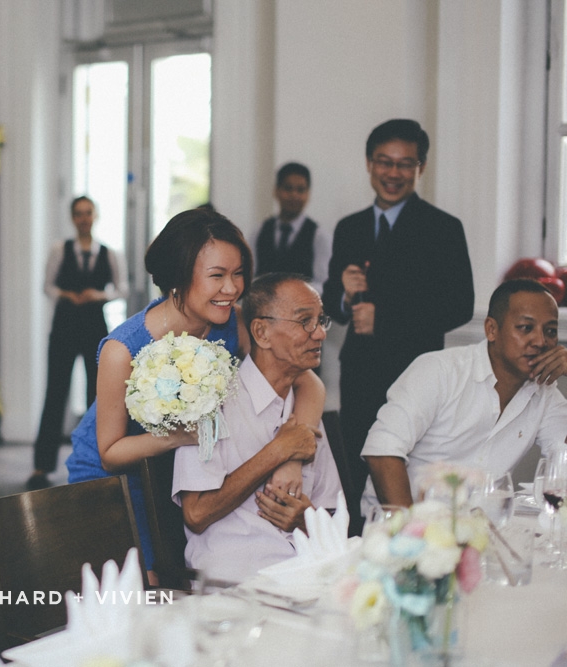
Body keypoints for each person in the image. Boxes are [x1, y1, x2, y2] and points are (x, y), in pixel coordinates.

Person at [65, 207, 325, 575]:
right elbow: (110, 452)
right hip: (114, 479)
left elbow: (306, 379)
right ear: (178, 277)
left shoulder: (229, 322)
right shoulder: (122, 349)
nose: (232, 289)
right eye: (217, 276)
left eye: (238, 274)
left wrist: (294, 453)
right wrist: (180, 436)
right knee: (143, 587)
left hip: (180, 472)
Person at [322, 119, 474, 531]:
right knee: (354, 474)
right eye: (385, 162)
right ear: (369, 164)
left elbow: (461, 305)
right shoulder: (349, 227)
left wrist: (384, 317)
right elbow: (332, 306)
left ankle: (414, 551)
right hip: (359, 376)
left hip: (417, 373)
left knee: (410, 479)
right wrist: (342, 293)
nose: (394, 173)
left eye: (405, 164)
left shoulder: (443, 228)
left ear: (421, 167)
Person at [172, 273, 342, 583]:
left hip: (305, 575)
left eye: (322, 320)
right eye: (305, 321)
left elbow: (331, 510)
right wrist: (277, 452)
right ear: (261, 332)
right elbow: (195, 515)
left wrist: (305, 519)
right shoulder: (211, 400)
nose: (319, 334)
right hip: (235, 581)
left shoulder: (304, 405)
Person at [362, 279, 567, 512]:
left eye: (550, 331)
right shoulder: (438, 370)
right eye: (526, 328)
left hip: (483, 533)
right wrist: (410, 532)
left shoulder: (545, 392)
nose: (541, 341)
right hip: (402, 529)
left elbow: (564, 462)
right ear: (491, 329)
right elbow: (382, 452)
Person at [27, 196, 128, 490]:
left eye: (88, 213)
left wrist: (99, 296)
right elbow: (47, 285)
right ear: (72, 218)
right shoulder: (61, 249)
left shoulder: (109, 253)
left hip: (95, 329)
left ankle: (95, 460)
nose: (84, 218)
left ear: (95, 216)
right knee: (55, 392)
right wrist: (67, 295)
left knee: (98, 396)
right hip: (64, 327)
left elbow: (121, 288)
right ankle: (41, 465)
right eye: (78, 214)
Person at [253, 162, 331, 291]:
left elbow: (324, 284)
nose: (294, 195)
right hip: (264, 307)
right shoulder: (259, 231)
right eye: (288, 188)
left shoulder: (319, 237)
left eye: (300, 190)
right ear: (276, 191)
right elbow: (250, 276)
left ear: (308, 194)